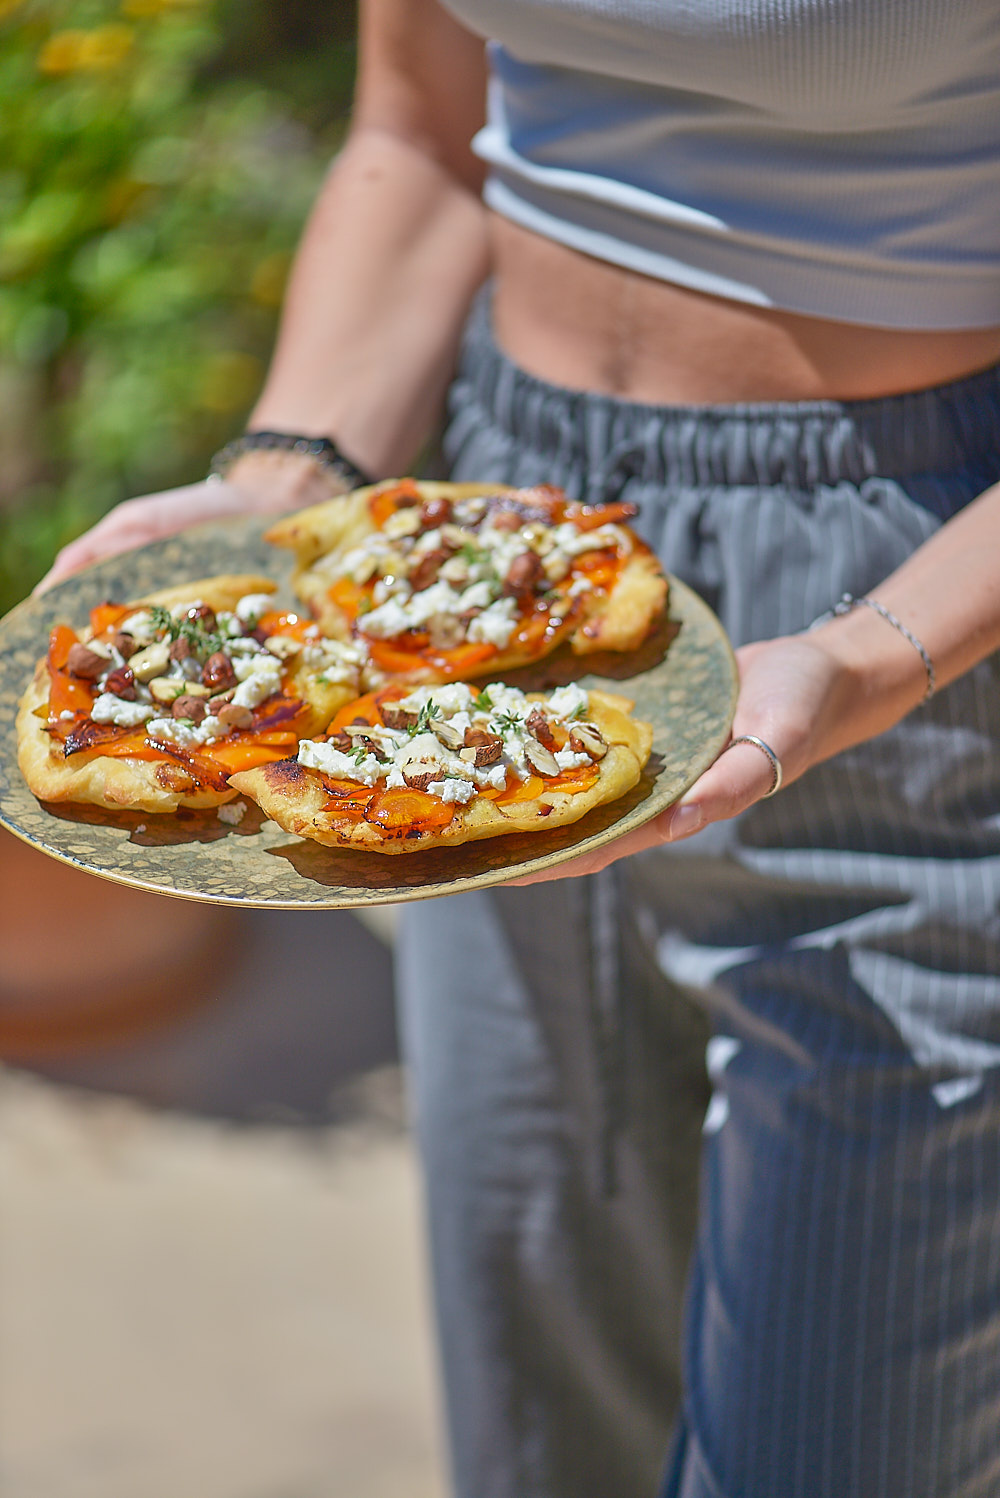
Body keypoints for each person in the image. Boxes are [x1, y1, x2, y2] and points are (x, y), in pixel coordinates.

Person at [43, 3, 1000, 1495]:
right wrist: (294, 471)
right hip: (485, 552)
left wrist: (873, 650)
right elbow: (420, 136)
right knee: (545, 1442)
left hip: (914, 592)